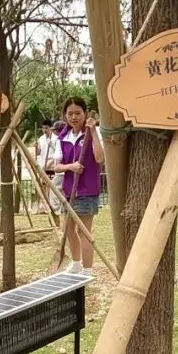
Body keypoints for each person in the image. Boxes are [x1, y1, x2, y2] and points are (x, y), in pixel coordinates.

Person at [53, 98, 105, 276]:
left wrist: (93, 132)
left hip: (87, 190)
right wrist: (71, 166)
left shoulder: (92, 133)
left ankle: (88, 269)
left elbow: (100, 159)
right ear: (65, 115)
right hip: (69, 191)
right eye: (70, 114)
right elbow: (56, 166)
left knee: (84, 232)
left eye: (78, 113)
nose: (74, 117)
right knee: (68, 230)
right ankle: (75, 263)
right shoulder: (62, 138)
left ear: (85, 113)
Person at [35, 119, 62, 213]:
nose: (45, 130)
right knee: (43, 185)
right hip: (42, 165)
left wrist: (50, 163)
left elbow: (57, 153)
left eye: (46, 128)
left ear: (50, 128)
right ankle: (43, 206)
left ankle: (52, 206)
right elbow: (38, 153)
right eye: (43, 128)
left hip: (51, 165)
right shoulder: (41, 139)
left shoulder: (55, 139)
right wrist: (36, 148)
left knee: (51, 186)